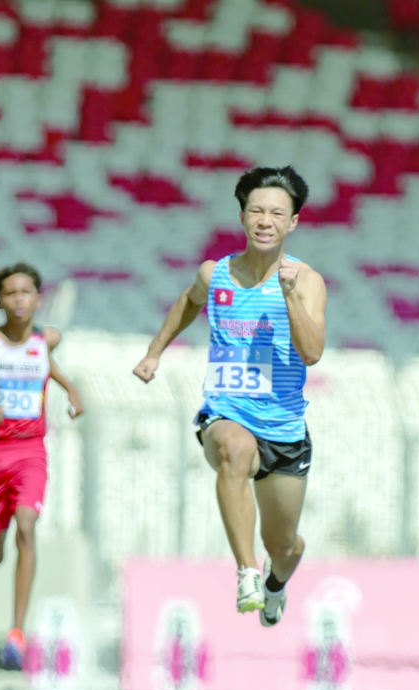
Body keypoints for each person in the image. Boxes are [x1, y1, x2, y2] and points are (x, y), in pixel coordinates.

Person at [133, 166, 326, 627]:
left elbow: (312, 353)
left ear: (293, 222)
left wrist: (288, 296)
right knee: (235, 451)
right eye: (256, 211)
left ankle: (275, 582)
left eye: (276, 213)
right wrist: (154, 352)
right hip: (227, 411)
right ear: (242, 216)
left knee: (284, 545)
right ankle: (247, 572)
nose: (265, 221)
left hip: (284, 429)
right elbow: (189, 301)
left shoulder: (306, 281)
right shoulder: (215, 273)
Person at [0, 263, 84, 667]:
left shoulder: (46, 339)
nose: (19, 299)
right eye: (10, 293)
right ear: (0, 301)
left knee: (27, 525)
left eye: (26, 292)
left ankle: (16, 631)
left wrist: (71, 389)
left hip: (30, 451)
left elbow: (44, 361)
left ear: (39, 299)